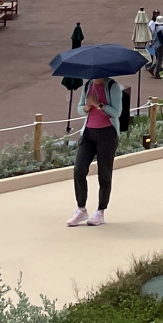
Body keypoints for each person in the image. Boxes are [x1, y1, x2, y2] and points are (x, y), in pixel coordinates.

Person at [67, 77, 121, 227]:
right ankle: (81, 209)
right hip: (88, 133)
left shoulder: (112, 86)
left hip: (107, 134)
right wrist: (87, 106)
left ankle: (100, 211)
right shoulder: (88, 85)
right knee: (79, 170)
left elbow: (117, 112)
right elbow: (80, 110)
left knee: (104, 173)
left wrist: (99, 105)